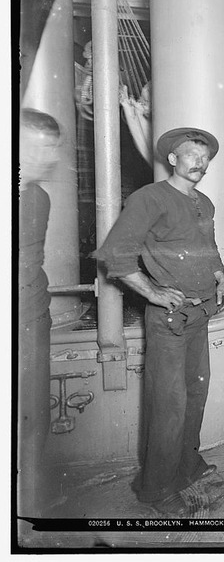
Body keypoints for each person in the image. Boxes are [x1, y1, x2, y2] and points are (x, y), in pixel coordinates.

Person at [94, 127, 224, 516]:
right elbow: (115, 254)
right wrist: (152, 293)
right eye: (191, 155)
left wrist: (221, 278)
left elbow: (208, 247)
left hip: (200, 313)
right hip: (169, 320)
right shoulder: (149, 198)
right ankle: (156, 488)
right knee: (169, 404)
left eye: (204, 158)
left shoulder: (204, 202)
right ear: (172, 159)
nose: (199, 163)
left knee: (196, 392)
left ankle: (187, 466)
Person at [18, 108, 62, 517]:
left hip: (33, 319)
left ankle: (30, 508)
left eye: (53, 147)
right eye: (43, 147)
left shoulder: (38, 199)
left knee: (33, 420)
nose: (51, 157)